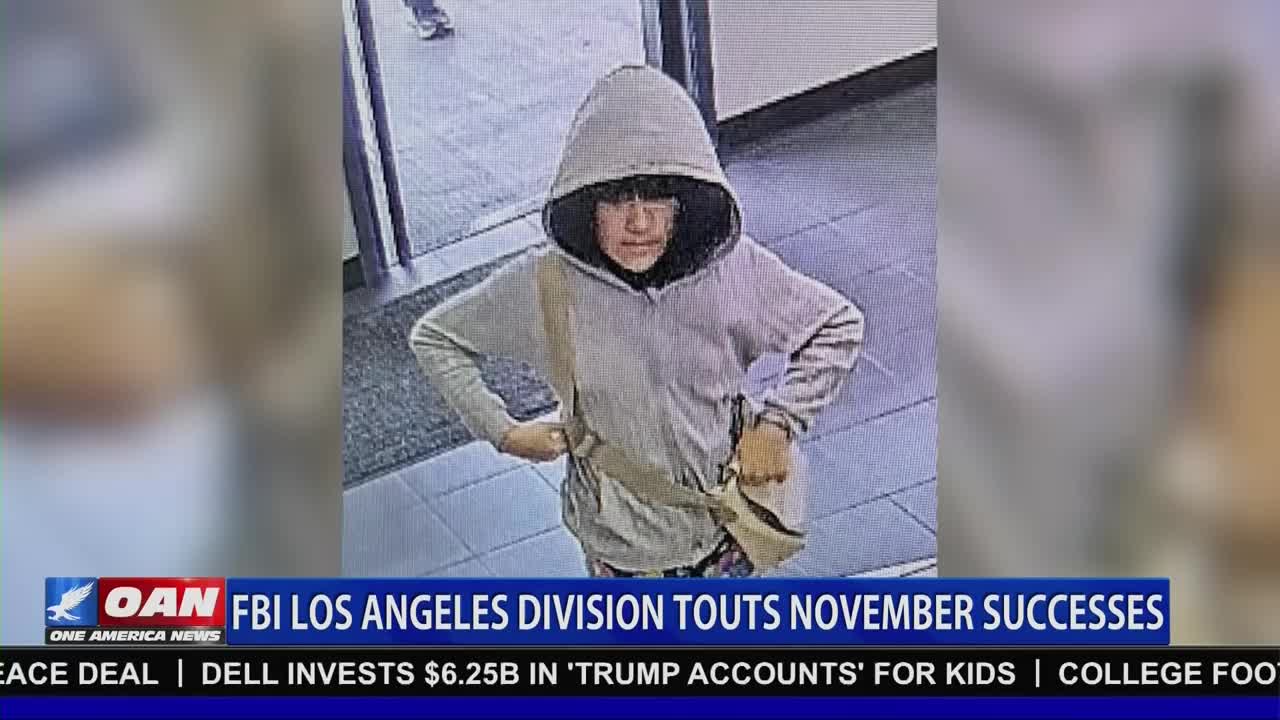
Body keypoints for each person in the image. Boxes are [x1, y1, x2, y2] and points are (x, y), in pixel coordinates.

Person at [410, 65, 862, 578]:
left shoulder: (732, 271)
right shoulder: (544, 287)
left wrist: (779, 424)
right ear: (586, 205)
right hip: (624, 562)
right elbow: (436, 337)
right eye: (617, 199)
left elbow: (838, 326)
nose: (640, 223)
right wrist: (503, 431)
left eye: (656, 198)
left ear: (685, 204)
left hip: (731, 539)